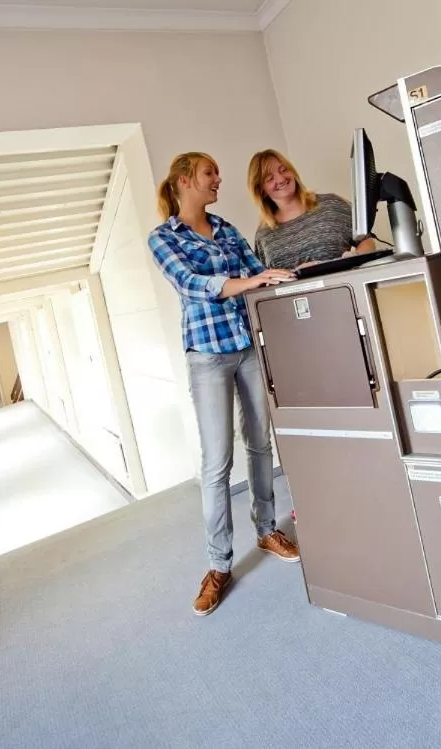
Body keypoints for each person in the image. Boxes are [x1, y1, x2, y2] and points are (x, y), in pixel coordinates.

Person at [148, 151, 302, 617]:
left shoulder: (227, 228)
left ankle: (267, 530)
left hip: (248, 345)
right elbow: (192, 284)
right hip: (208, 356)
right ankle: (219, 565)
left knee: (261, 444)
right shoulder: (163, 237)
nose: (218, 179)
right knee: (217, 462)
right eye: (210, 173)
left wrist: (278, 276)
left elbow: (257, 271)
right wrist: (247, 281)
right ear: (184, 179)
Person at [247, 149, 377, 271]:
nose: (281, 179)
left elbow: (367, 240)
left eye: (283, 170)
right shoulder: (263, 235)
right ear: (261, 190)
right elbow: (264, 276)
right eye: (270, 179)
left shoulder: (331, 205)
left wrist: (355, 258)